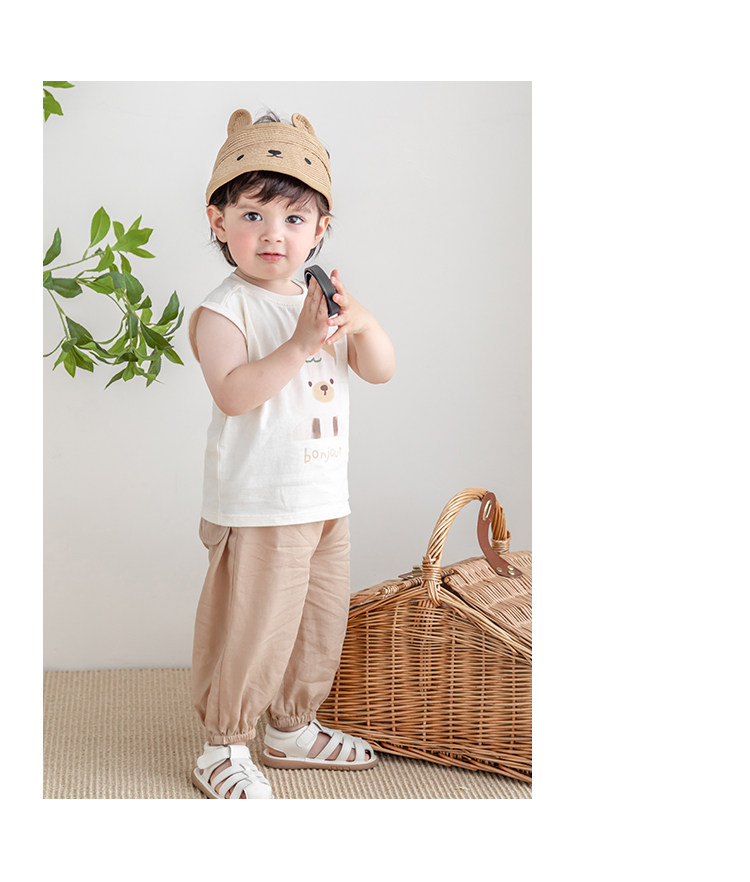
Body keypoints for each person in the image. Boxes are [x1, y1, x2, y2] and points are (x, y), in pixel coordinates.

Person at [188, 108, 396, 799]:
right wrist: (302, 343)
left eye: (294, 218)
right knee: (256, 626)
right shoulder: (225, 310)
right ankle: (223, 743)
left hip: (324, 496)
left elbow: (379, 370)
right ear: (219, 222)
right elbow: (234, 394)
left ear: (321, 229)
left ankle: (291, 727)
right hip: (261, 502)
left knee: (318, 621)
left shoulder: (319, 301)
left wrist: (361, 322)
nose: (273, 233)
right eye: (252, 215)